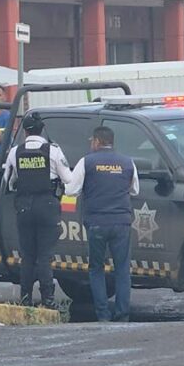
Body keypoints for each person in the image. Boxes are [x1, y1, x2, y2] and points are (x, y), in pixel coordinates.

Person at [66, 126, 139, 322]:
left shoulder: (86, 161)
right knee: (122, 269)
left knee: (96, 268)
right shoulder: (127, 162)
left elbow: (72, 190)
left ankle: (103, 315)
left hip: (96, 222)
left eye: (92, 141)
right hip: (121, 222)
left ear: (97, 141)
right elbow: (134, 190)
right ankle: (123, 314)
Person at [3, 112, 72, 309]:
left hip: (24, 207)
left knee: (28, 256)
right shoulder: (53, 151)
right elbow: (68, 179)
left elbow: (8, 182)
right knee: (44, 256)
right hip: (47, 206)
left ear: (25, 131)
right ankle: (48, 300)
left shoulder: (15, 152)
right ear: (42, 130)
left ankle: (25, 298)